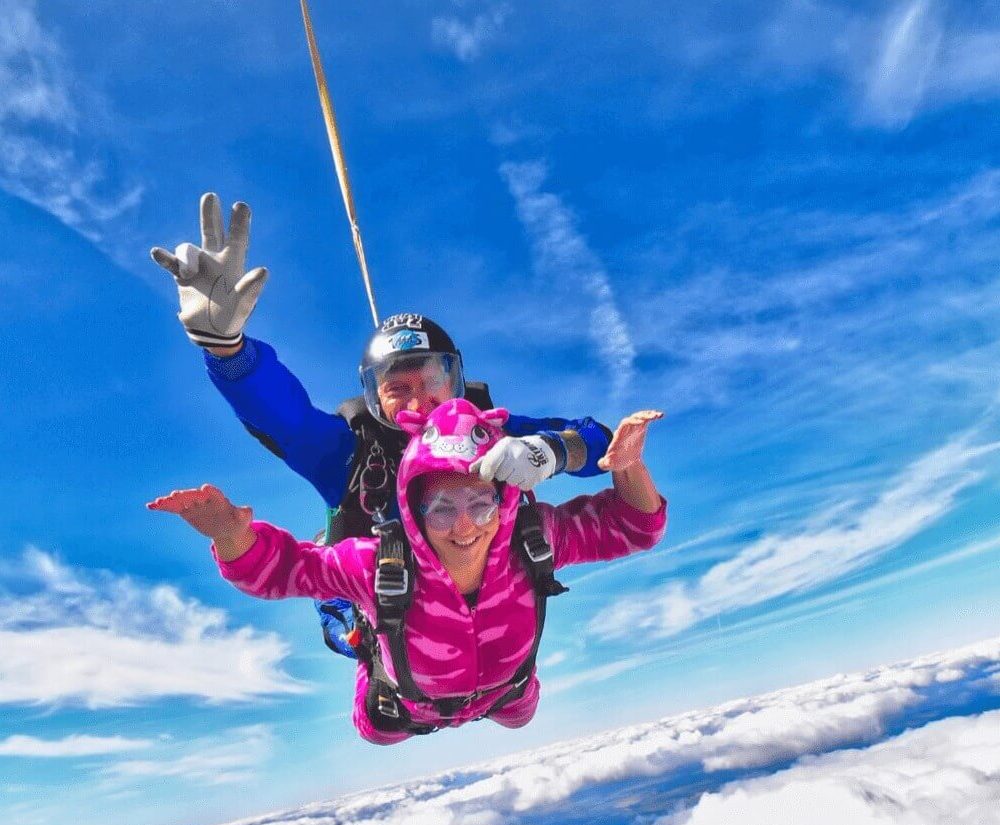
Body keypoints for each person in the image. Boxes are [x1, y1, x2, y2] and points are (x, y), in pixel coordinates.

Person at [150, 194, 615, 657]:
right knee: (382, 702)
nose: (420, 400)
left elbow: (600, 443)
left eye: (433, 379)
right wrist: (227, 351)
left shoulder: (490, 431)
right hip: (393, 630)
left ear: (456, 380)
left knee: (514, 704)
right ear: (374, 397)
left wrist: (552, 451)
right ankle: (346, 619)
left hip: (495, 613)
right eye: (396, 389)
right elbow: (282, 416)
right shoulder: (351, 452)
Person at [148, 399, 665, 744]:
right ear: (413, 508)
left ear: (505, 499)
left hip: (510, 694)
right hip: (401, 709)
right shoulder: (375, 563)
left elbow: (637, 525)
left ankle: (372, 630)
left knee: (519, 716)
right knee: (373, 727)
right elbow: (284, 570)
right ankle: (361, 633)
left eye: (481, 503)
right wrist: (231, 535)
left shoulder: (535, 537)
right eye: (440, 506)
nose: (464, 526)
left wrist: (628, 466)